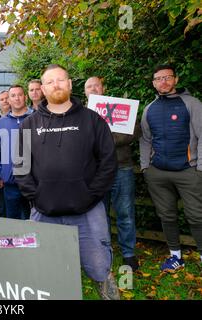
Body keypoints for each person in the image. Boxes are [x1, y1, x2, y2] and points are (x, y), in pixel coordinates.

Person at [14, 64, 120, 299]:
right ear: (42, 89)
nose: (56, 85)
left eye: (61, 80)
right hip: (44, 212)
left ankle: (106, 290)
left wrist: (92, 194)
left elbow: (108, 162)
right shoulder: (29, 125)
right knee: (45, 268)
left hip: (87, 210)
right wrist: (36, 195)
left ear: (70, 84)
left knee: (99, 264)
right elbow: (21, 166)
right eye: (50, 82)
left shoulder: (93, 120)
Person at [140, 64, 202, 272]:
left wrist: (199, 166)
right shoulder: (149, 109)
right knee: (167, 215)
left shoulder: (192, 103)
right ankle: (176, 256)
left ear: (175, 79)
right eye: (158, 79)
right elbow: (146, 140)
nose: (163, 82)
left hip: (188, 170)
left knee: (196, 215)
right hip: (158, 173)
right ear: (153, 83)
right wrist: (146, 167)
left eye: (167, 77)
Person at [84, 76, 140, 271]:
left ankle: (128, 254)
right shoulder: (81, 114)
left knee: (125, 212)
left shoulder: (120, 107)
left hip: (121, 168)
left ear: (103, 88)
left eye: (96, 85)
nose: (93, 89)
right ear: (85, 92)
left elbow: (133, 132)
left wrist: (103, 140)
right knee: (99, 215)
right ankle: (104, 252)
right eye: (89, 86)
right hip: (95, 172)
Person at [0, 85, 33, 220]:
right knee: (13, 222)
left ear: (25, 97)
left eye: (20, 95)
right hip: (11, 184)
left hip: (34, 182)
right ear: (9, 99)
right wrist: (1, 172)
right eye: (13, 96)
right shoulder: (0, 124)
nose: (17, 98)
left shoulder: (37, 118)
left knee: (35, 221)